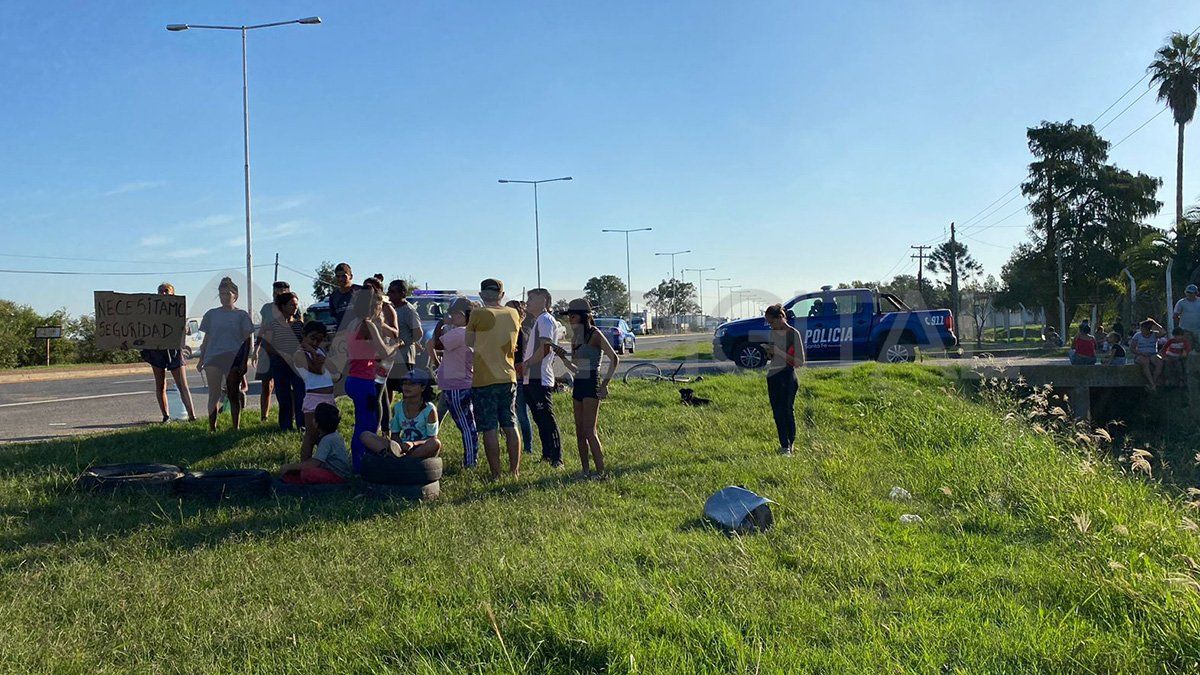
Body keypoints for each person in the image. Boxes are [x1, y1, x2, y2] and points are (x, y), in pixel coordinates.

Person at [465, 278, 522, 480]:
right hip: (508, 376)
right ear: (502, 295)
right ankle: (515, 471)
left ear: (481, 295)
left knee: (489, 427)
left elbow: (469, 342)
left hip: (484, 378)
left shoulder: (478, 313)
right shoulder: (514, 313)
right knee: (510, 422)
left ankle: (495, 474)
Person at [557, 298, 619, 478]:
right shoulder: (575, 337)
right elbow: (576, 368)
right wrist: (563, 358)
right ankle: (585, 471)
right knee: (579, 430)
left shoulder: (595, 334)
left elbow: (614, 359)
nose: (570, 319)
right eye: (569, 316)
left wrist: (605, 385)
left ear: (584, 316)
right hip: (579, 381)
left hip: (592, 381)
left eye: (573, 316)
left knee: (589, 431)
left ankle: (601, 472)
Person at [340, 287, 393, 472]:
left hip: (353, 378)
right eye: (379, 305)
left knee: (361, 422)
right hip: (364, 382)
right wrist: (398, 344)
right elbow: (385, 351)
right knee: (367, 427)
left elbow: (361, 351)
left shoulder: (353, 323)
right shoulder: (368, 324)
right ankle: (361, 465)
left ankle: (359, 462)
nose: (380, 309)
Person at [196, 277, 254, 431]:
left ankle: (236, 427)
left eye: (228, 294)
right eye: (221, 294)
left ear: (235, 295)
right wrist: (201, 359)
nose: (224, 297)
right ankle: (212, 427)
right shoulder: (211, 314)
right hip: (213, 357)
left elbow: (247, 340)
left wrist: (244, 362)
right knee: (214, 394)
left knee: (233, 393)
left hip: (233, 357)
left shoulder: (241, 315)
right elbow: (206, 338)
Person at [140, 282, 196, 423]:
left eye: (166, 291)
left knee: (182, 385)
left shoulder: (178, 310)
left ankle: (192, 416)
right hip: (156, 350)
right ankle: (165, 416)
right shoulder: (150, 312)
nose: (163, 293)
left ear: (172, 294)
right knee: (160, 385)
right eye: (161, 291)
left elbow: (186, 330)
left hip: (174, 350)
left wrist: (185, 328)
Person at [520, 288, 563, 467]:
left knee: (546, 418)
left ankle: (557, 458)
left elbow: (545, 348)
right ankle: (546, 455)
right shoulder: (538, 320)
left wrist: (527, 363)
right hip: (531, 378)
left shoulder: (545, 320)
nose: (527, 301)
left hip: (540, 377)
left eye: (531, 298)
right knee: (539, 419)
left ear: (544, 300)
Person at [435, 297, 480, 467]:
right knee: (438, 419)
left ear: (461, 315)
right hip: (456, 384)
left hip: (456, 386)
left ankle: (470, 463)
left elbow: (436, 344)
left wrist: (441, 324)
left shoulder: (459, 332)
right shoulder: (468, 332)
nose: (450, 317)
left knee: (466, 426)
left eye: (452, 314)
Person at [360, 370, 442, 459]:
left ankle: (403, 459)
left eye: (412, 384)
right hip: (402, 447)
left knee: (435, 443)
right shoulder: (398, 407)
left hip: (420, 448)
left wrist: (413, 444)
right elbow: (395, 434)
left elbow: (432, 438)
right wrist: (398, 445)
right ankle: (394, 456)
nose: (406, 387)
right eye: (404, 383)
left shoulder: (429, 410)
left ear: (422, 387)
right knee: (365, 435)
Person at [261, 286, 307, 431]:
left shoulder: (300, 324)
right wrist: (283, 354)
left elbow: (305, 343)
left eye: (296, 305)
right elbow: (267, 345)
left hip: (298, 365)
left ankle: (302, 425)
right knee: (283, 396)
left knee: (301, 394)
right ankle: (285, 426)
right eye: (291, 305)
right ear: (282, 307)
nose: (294, 307)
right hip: (279, 364)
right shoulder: (272, 325)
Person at [763, 303, 806, 455]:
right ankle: (783, 445)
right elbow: (773, 356)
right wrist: (769, 352)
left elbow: (800, 361)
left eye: (772, 322)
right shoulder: (773, 333)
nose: (771, 326)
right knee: (777, 412)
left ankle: (790, 444)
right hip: (773, 376)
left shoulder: (793, 334)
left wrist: (779, 352)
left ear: (781, 317)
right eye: (768, 323)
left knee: (787, 410)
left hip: (787, 376)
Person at [279, 402, 352, 485]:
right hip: (338, 474)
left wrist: (290, 467)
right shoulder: (335, 436)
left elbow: (314, 463)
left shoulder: (327, 440)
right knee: (304, 471)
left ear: (316, 423)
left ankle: (292, 482)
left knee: (307, 473)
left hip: (337, 477)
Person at [385, 279, 425, 424]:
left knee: (406, 391)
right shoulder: (390, 308)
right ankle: (388, 418)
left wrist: (404, 342)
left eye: (393, 291)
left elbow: (418, 333)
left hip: (404, 357)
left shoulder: (408, 310)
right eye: (388, 290)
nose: (389, 294)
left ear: (403, 293)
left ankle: (409, 419)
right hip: (389, 357)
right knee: (387, 389)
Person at [295, 321, 335, 459]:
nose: (315, 342)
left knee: (327, 435)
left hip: (328, 398)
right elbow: (317, 369)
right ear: (303, 335)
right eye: (312, 338)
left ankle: (323, 461)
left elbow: (334, 370)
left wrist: (319, 353)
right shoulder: (299, 354)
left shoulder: (319, 351)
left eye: (319, 340)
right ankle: (305, 464)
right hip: (314, 398)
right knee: (311, 436)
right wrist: (312, 351)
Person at [364, 276, 398, 435]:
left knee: (376, 393)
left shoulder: (385, 307)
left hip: (385, 357)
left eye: (372, 287)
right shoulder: (366, 309)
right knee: (382, 395)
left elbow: (396, 333)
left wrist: (382, 326)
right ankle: (386, 429)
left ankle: (378, 430)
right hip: (371, 356)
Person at [254, 281, 291, 422]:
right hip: (267, 350)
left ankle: (288, 414)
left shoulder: (291, 306)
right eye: (275, 293)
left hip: (285, 351)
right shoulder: (267, 308)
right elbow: (262, 328)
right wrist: (256, 348)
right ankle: (264, 416)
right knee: (266, 384)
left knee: (285, 386)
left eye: (281, 293)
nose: (277, 295)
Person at [506, 299, 535, 456]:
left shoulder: (522, 331)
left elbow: (522, 357)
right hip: (509, 376)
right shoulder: (509, 330)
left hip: (519, 377)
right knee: (512, 414)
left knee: (522, 414)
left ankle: (528, 448)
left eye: (511, 310)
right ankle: (516, 445)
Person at [1130, 319, 1164, 391]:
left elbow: (1163, 332)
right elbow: (1132, 349)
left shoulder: (1154, 334)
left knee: (1160, 363)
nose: (1141, 330)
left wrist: (1155, 324)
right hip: (1141, 354)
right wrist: (1141, 353)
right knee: (1145, 362)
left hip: (1153, 354)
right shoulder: (1137, 335)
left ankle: (1152, 382)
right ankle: (1152, 384)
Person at [327, 262, 361, 329]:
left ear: (351, 276)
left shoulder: (361, 291)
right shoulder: (333, 296)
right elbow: (335, 317)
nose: (340, 279)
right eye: (338, 276)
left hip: (360, 334)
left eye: (344, 276)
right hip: (342, 334)